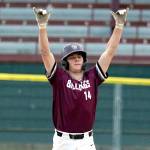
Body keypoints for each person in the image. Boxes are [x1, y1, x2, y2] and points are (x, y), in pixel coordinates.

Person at [33, 7, 128, 150]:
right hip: (63, 142)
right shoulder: (59, 78)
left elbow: (109, 52)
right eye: (72, 57)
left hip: (86, 142)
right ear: (66, 62)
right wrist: (42, 26)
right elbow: (45, 53)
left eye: (79, 56)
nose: (77, 59)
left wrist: (119, 26)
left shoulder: (92, 77)